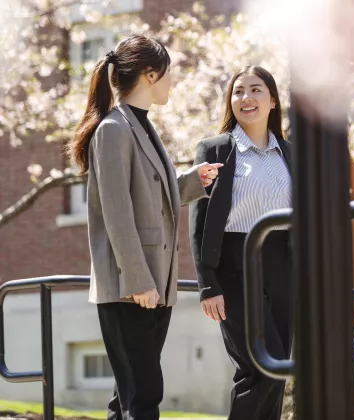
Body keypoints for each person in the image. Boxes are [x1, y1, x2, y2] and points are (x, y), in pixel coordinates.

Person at [67, 34, 222, 420]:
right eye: (168, 74)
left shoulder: (139, 125)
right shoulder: (114, 130)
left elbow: (150, 193)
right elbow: (117, 214)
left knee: (130, 397)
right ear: (150, 74)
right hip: (132, 287)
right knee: (144, 395)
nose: (172, 82)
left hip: (155, 283)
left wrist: (191, 181)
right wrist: (138, 280)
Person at [189, 65, 293, 420]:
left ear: (273, 101)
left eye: (255, 89)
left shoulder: (290, 154)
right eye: (238, 91)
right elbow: (199, 223)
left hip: (282, 267)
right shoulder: (216, 149)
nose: (245, 98)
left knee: (279, 370)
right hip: (234, 267)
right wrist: (207, 284)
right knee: (261, 369)